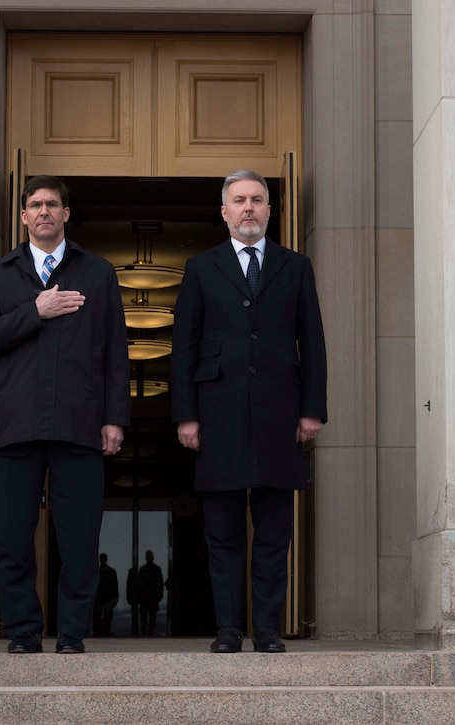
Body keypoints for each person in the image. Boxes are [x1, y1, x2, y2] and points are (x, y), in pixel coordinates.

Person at [0, 175, 129, 655]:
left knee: (79, 540)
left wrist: (114, 418)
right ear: (23, 216)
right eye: (35, 205)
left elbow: (115, 352)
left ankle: (73, 633)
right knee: (13, 538)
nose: (44, 212)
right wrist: (36, 310)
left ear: (66, 214)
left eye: (52, 205)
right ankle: (23, 632)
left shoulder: (97, 273)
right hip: (15, 426)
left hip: (80, 425)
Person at [171, 169, 327, 654]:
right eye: (239, 200)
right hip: (217, 414)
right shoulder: (201, 268)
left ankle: (267, 629)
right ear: (224, 211)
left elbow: (314, 343)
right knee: (222, 535)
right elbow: (185, 347)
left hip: (281, 414)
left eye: (257, 200)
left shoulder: (295, 266)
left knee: (274, 535)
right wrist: (187, 415)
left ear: (269, 209)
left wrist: (312, 410)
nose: (248, 208)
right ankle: (227, 630)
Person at [137, 550, 164, 636]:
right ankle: (149, 634)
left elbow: (139, 584)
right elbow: (160, 583)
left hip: (147, 597)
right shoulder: (156, 569)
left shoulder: (143, 570)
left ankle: (145, 633)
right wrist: (159, 594)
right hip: (152, 597)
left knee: (145, 618)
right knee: (151, 618)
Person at [93, 553, 118, 636]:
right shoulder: (111, 571)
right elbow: (115, 586)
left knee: (97, 617)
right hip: (108, 598)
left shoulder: (96, 572)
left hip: (99, 598)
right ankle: (106, 631)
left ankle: (99, 632)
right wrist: (114, 598)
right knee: (107, 618)